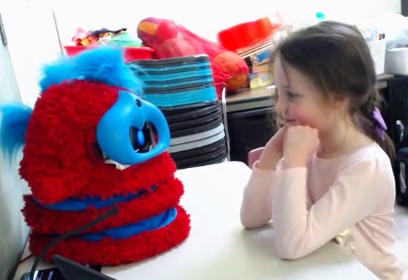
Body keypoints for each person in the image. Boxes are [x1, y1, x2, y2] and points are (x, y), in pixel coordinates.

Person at [240, 21, 405, 280]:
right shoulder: (309, 147)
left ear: (339, 97)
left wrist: (293, 161)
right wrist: (271, 156)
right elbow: (252, 219)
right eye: (279, 93)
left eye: (292, 95)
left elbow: (291, 245)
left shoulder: (366, 166)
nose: (280, 107)